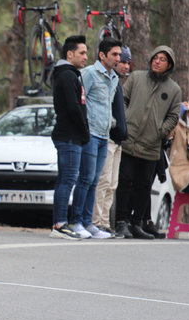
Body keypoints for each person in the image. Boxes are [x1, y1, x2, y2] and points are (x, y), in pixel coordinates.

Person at [115, 45, 181, 239]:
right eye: (155, 57)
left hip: (152, 145)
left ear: (169, 64)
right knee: (125, 182)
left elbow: (173, 116)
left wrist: (161, 131)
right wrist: (125, 120)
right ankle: (121, 222)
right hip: (129, 141)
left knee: (144, 185)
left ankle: (137, 223)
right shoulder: (136, 78)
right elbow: (122, 100)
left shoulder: (174, 89)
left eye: (162, 59)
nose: (157, 61)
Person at [68, 37, 121, 240]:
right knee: (85, 179)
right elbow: (79, 101)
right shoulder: (89, 73)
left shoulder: (113, 77)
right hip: (90, 134)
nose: (118, 58)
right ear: (102, 55)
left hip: (104, 135)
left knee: (95, 182)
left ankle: (89, 223)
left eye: (119, 54)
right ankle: (76, 221)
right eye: (114, 54)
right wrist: (83, 128)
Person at [49, 35, 90, 240]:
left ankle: (60, 222)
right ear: (70, 54)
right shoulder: (66, 75)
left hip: (72, 135)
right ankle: (60, 224)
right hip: (69, 136)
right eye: (82, 53)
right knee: (67, 179)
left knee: (66, 179)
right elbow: (73, 108)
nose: (85, 57)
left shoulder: (72, 74)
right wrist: (84, 131)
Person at [91, 45, 130, 237]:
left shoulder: (115, 82)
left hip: (118, 142)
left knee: (112, 184)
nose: (122, 63)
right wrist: (113, 126)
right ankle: (96, 222)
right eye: (119, 58)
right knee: (103, 181)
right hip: (106, 137)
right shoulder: (95, 77)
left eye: (124, 61)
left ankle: (105, 223)